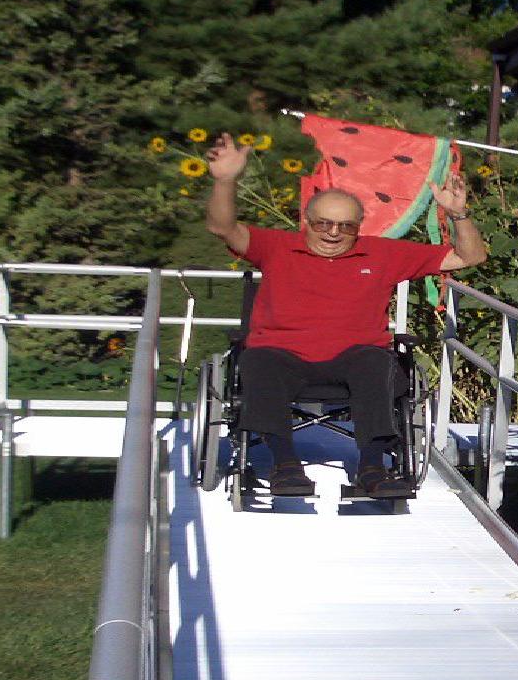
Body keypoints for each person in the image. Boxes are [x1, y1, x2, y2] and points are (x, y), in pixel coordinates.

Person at [204, 131, 487, 498]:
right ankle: (285, 466)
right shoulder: (276, 246)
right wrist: (225, 180)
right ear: (307, 220)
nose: (333, 233)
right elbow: (221, 226)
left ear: (359, 226)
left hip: (354, 356)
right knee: (259, 362)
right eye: (323, 223)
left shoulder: (382, 253)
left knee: (378, 363)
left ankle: (372, 469)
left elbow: (470, 257)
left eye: (345, 226)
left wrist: (459, 213)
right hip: (281, 353)